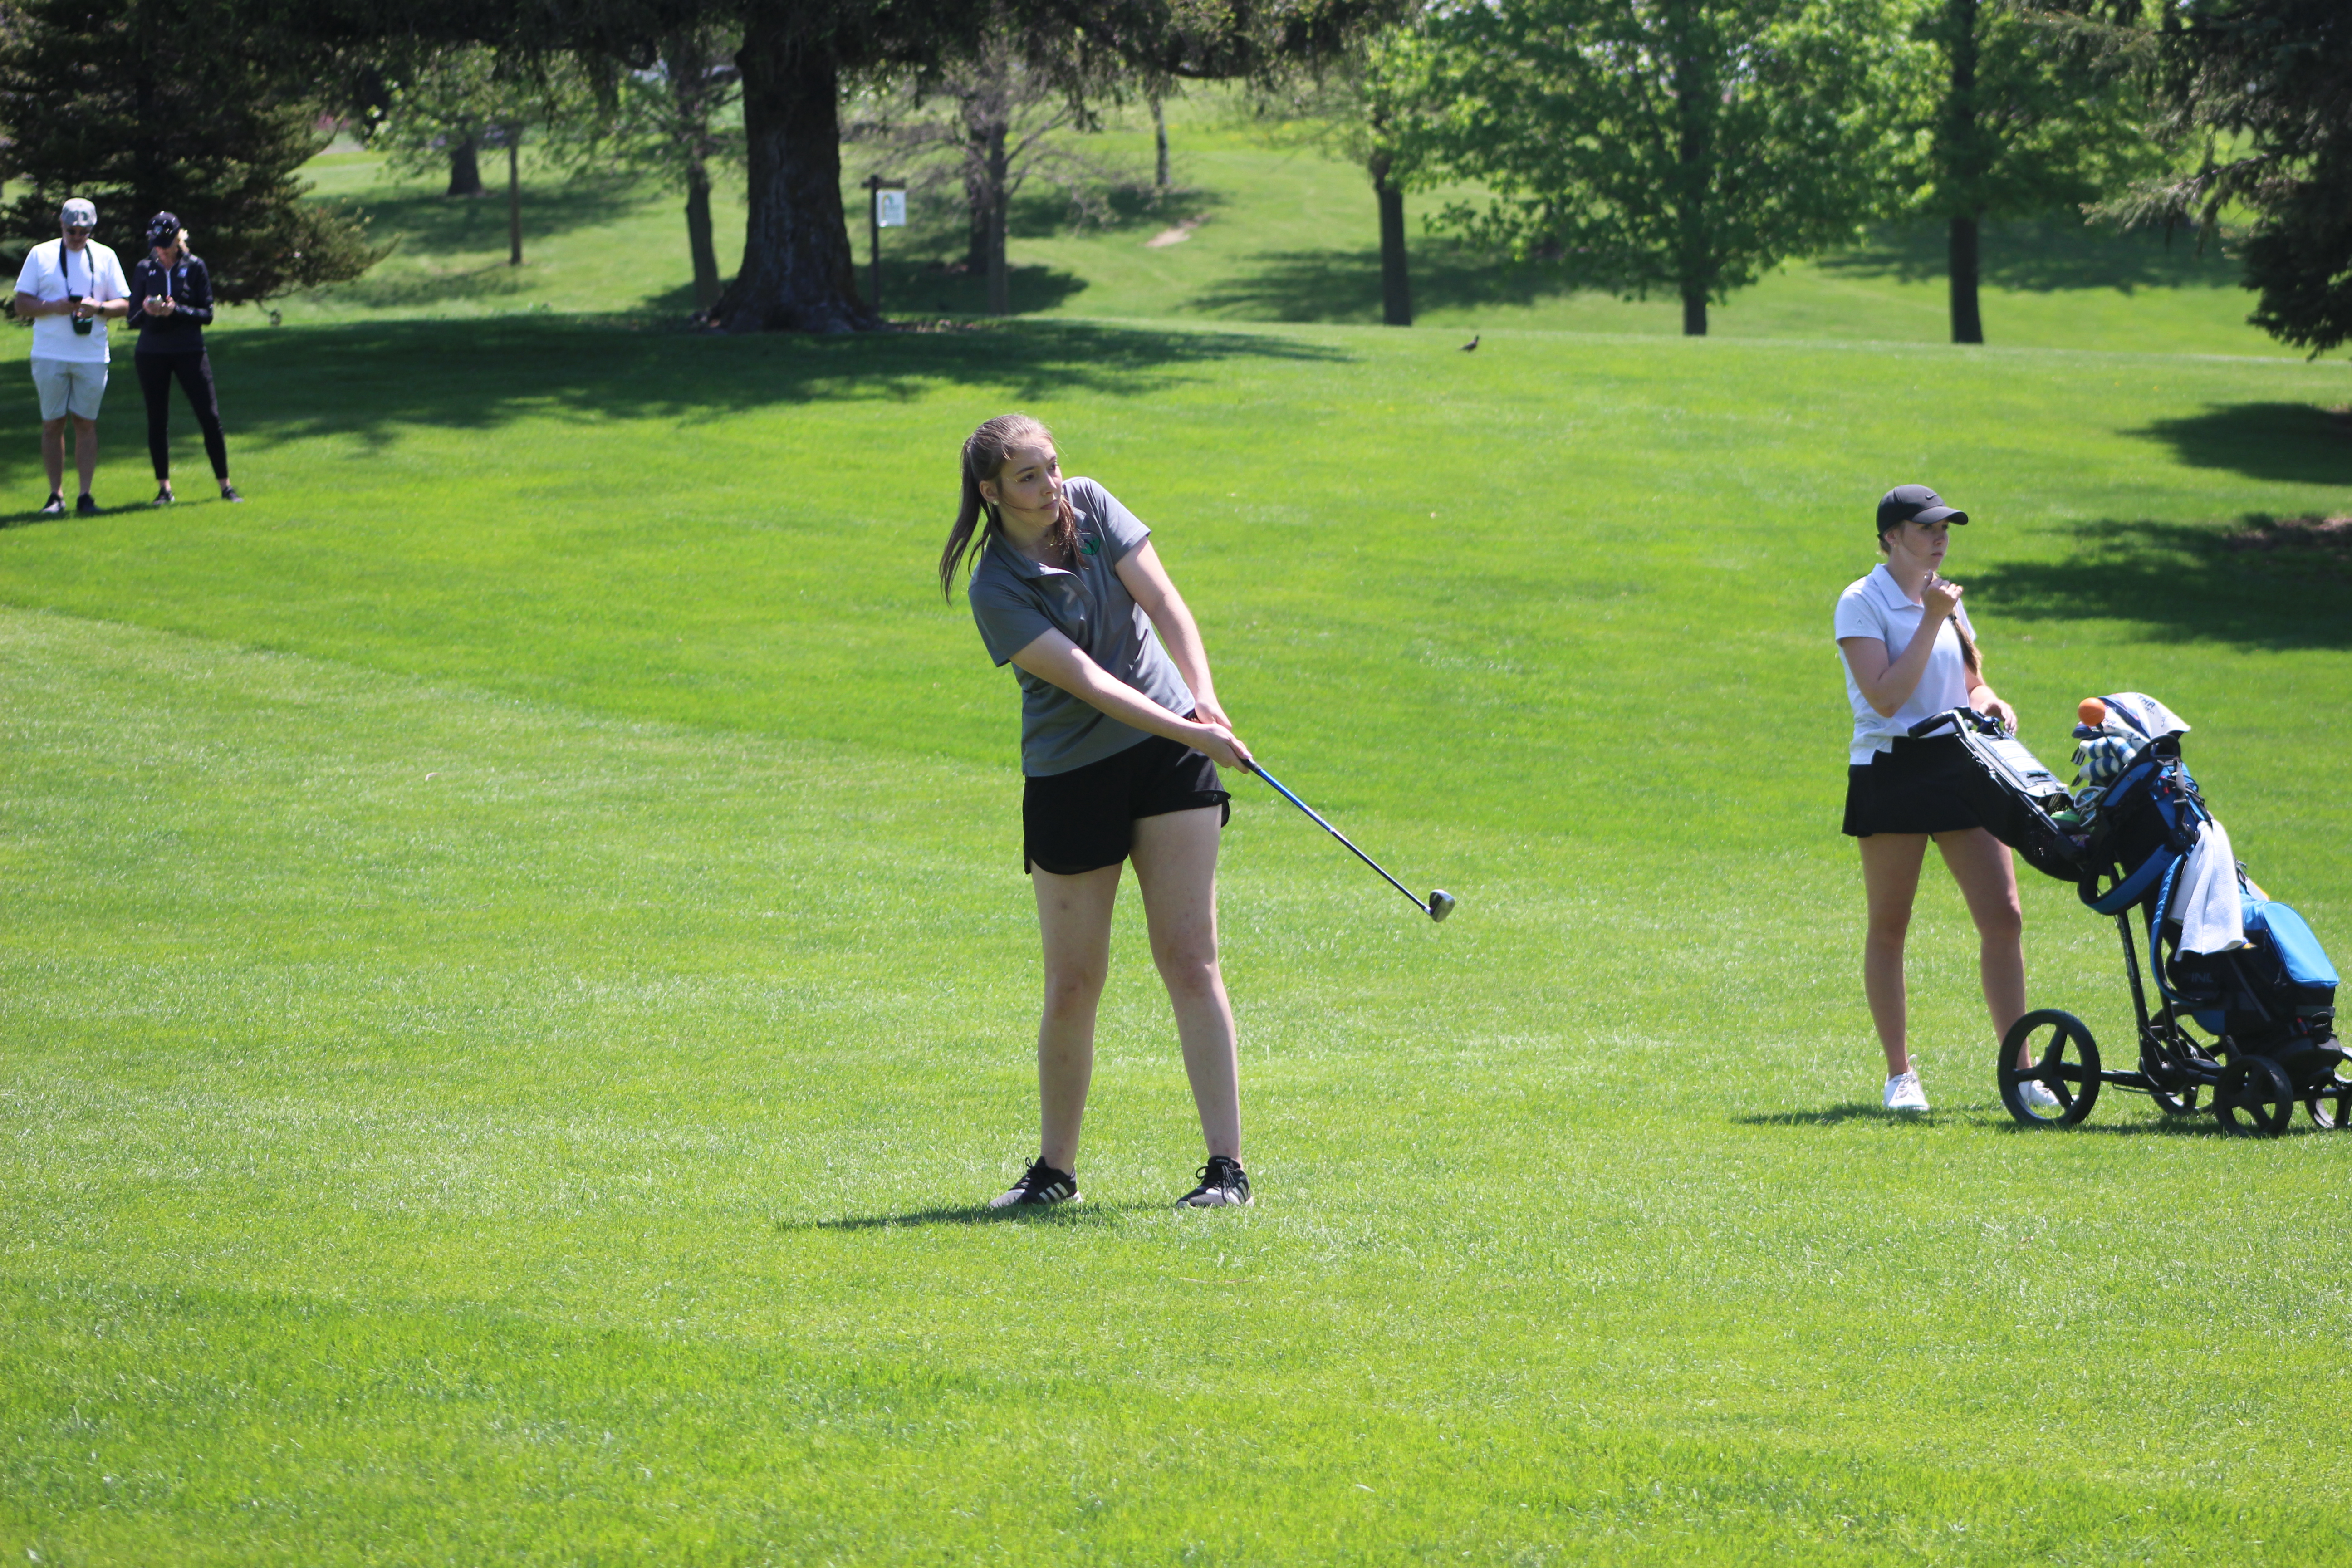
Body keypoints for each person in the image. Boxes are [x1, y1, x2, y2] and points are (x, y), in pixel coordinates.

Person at [941, 414, 1257, 1209]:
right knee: (1074, 981)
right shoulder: (996, 588)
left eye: (1050, 467)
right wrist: (1187, 726)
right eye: (1027, 477)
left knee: (1190, 959)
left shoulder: (1090, 504)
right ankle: (1055, 1173)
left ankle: (1227, 1171)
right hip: (1073, 774)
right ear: (990, 492)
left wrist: (1204, 702)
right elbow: (1087, 681)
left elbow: (1164, 601)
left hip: (1168, 757)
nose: (1050, 488)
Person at [1834, 485, 2057, 1114]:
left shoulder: (1949, 599)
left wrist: (1992, 702)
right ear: (1891, 538)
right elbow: (1886, 697)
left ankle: (2022, 1071)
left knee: (2004, 916)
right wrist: (1933, 615)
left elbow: (1971, 682)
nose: (1941, 536)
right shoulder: (1861, 602)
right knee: (1891, 924)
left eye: (1946, 527)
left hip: (1962, 765)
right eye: (1927, 527)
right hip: (1894, 768)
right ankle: (1900, 1076)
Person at [12, 197, 129, 516]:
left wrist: (99, 308)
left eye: (84, 231)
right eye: (72, 230)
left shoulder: (106, 256)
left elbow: (124, 304)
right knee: (53, 424)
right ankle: (55, 496)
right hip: (50, 353)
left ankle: (86, 496)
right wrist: (53, 306)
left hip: (91, 355)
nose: (77, 237)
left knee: (85, 423)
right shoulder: (42, 254)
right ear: (61, 225)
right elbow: (21, 304)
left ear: (92, 229)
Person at [127, 211, 241, 505]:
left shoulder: (195, 266)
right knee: (157, 419)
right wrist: (149, 309)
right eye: (157, 244)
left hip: (189, 350)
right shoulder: (144, 268)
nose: (161, 249)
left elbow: (207, 314)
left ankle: (226, 486)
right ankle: (164, 488)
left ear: (179, 240)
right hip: (152, 352)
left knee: (209, 417)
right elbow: (132, 318)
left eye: (167, 244)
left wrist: (176, 310)